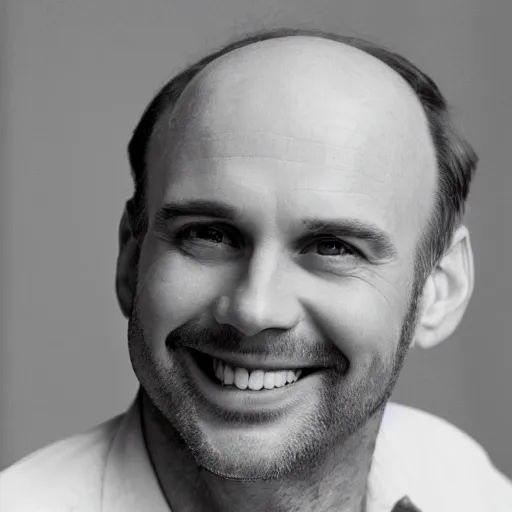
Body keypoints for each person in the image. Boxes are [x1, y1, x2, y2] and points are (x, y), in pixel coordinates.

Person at [1, 28, 511, 512]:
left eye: (332, 247)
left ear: (439, 291)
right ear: (132, 261)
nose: (253, 308)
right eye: (209, 235)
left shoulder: (461, 483)